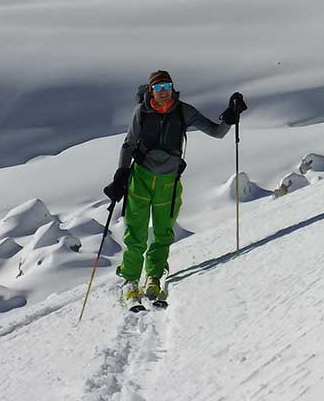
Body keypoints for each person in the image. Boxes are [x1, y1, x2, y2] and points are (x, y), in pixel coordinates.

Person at [103, 70, 247, 305]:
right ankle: (130, 279)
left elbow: (216, 132)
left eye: (167, 86)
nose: (163, 92)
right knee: (136, 233)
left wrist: (231, 116)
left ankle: (154, 277)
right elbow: (129, 144)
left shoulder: (183, 111)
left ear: (173, 87)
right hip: (140, 178)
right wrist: (121, 174)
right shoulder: (142, 112)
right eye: (158, 88)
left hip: (168, 182)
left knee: (162, 233)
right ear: (151, 90)